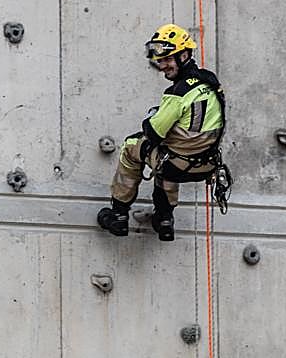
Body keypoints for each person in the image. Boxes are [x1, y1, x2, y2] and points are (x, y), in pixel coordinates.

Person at [97, 23, 226, 241]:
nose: (162, 65)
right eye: (160, 60)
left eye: (167, 59)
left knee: (134, 146)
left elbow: (154, 132)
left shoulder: (178, 92)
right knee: (169, 152)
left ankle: (119, 214)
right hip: (207, 164)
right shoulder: (209, 81)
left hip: (179, 165)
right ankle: (164, 220)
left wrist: (151, 117)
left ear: (184, 55)